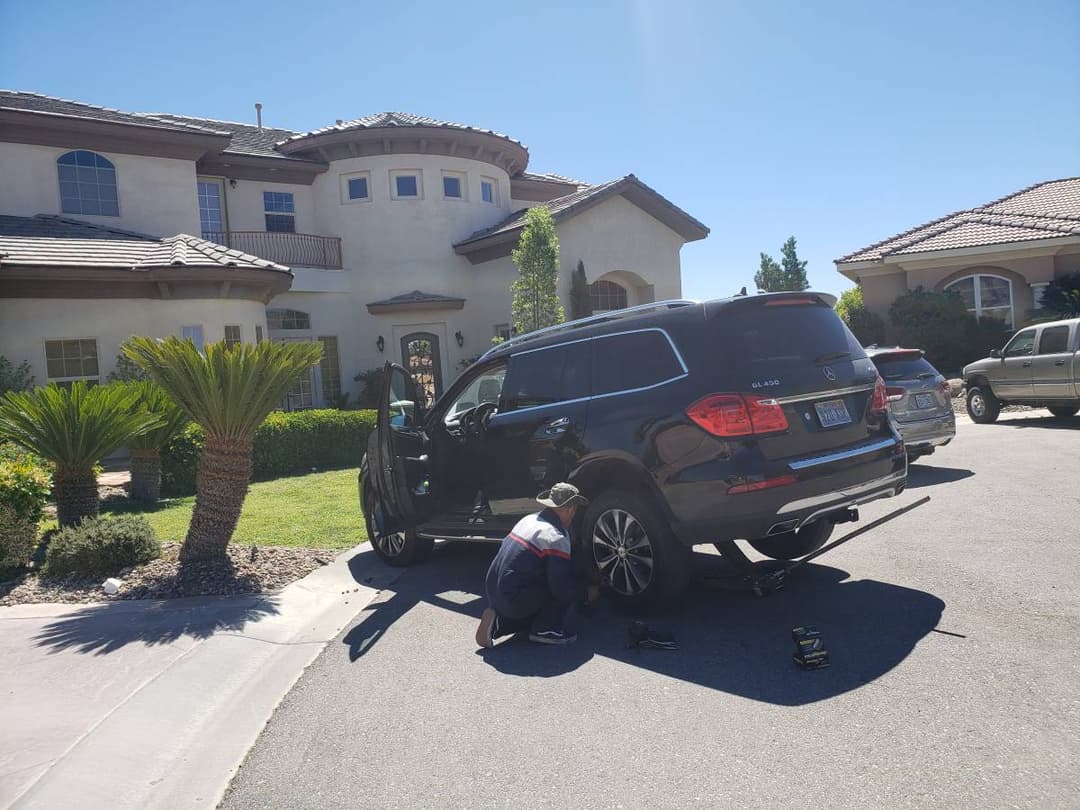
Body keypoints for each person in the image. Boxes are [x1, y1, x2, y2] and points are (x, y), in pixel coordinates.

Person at [476, 482, 597, 647]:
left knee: (535, 588)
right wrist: (586, 594)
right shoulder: (555, 537)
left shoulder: (528, 519)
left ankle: (499, 624)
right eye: (575, 510)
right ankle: (545, 629)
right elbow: (561, 587)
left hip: (494, 590)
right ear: (570, 509)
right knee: (562, 584)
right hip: (515, 597)